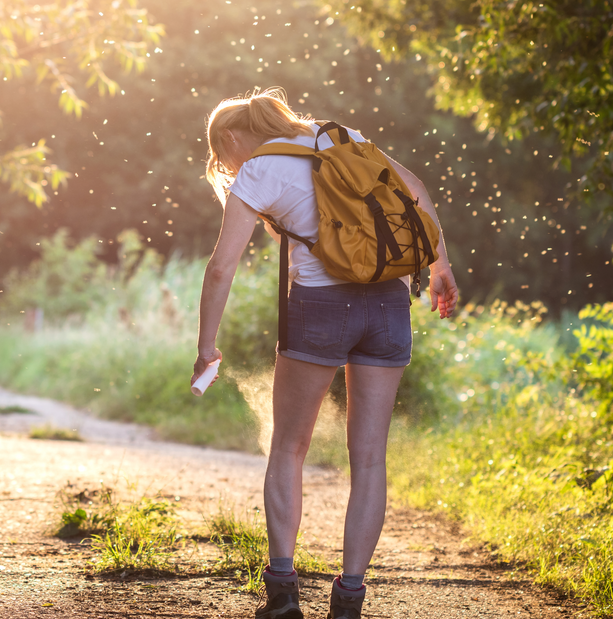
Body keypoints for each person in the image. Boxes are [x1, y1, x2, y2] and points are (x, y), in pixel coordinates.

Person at [191, 88, 458, 619]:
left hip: (319, 306)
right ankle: (350, 598)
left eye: (222, 157)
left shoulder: (259, 170)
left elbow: (222, 267)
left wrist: (206, 346)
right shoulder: (342, 138)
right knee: (370, 458)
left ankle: (284, 594)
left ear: (229, 139)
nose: (226, 166)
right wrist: (440, 267)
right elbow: (418, 190)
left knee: (289, 447)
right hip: (388, 305)